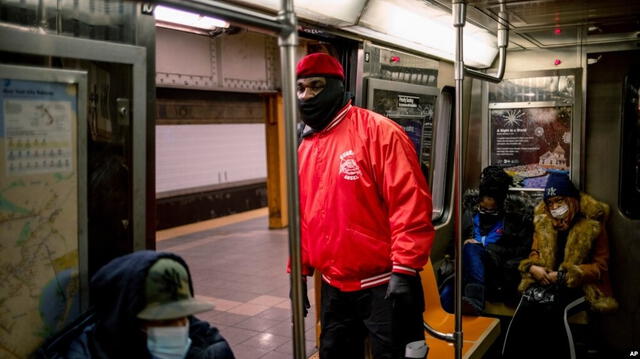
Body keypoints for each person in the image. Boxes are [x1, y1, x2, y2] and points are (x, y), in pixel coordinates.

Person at [292, 52, 435, 359]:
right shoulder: (305, 146)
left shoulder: (379, 133)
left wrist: (405, 268)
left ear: (336, 87)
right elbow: (304, 215)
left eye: (316, 86)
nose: (307, 96)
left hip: (384, 284)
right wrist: (299, 271)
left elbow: (409, 204)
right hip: (333, 287)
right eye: (301, 88)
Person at [502, 172, 618, 359]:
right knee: (528, 301)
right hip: (546, 279)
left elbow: (600, 267)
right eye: (550, 204)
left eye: (559, 201)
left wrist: (566, 275)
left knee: (553, 308)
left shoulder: (592, 222)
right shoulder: (544, 222)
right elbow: (535, 252)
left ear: (571, 200)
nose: (555, 208)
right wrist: (533, 268)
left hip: (581, 285)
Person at [38, 251, 234, 359]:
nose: (178, 329)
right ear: (125, 321)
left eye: (183, 317)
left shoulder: (210, 351)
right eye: (162, 322)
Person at [458, 166, 533, 314]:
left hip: (497, 271)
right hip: (468, 272)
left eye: (492, 205)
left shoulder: (515, 220)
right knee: (447, 293)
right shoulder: (469, 217)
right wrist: (464, 245)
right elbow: (451, 248)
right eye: (483, 204)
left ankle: (475, 301)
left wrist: (490, 249)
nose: (487, 208)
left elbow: (523, 251)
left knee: (473, 248)